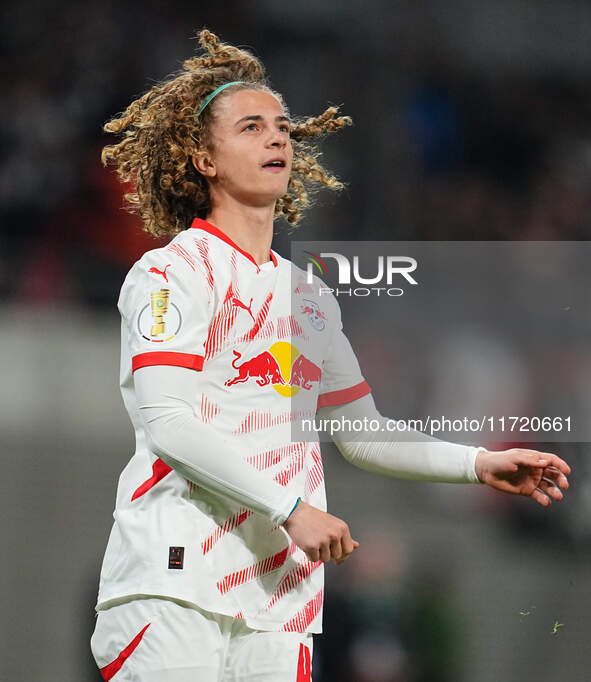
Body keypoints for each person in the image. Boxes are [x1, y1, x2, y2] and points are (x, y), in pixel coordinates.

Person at [90, 29, 571, 682]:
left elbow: (362, 433)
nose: (278, 138)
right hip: (175, 579)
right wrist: (292, 510)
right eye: (252, 126)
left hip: (280, 599)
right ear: (202, 158)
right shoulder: (173, 272)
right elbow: (170, 421)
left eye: (284, 127)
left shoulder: (309, 298)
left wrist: (479, 463)